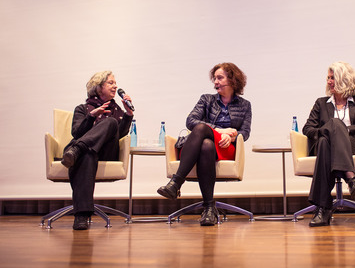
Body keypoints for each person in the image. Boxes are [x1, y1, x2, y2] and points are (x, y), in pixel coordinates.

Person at [157, 62, 252, 226]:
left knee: (203, 129)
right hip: (201, 147)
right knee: (206, 143)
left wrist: (231, 136)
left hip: (226, 148)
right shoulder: (206, 99)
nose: (215, 82)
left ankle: (176, 182)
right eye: (214, 78)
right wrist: (220, 131)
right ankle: (209, 208)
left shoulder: (245, 105)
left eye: (220, 78)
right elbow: (190, 121)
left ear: (232, 79)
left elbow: (245, 132)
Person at [303, 62, 355, 227]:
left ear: (344, 79)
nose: (329, 82)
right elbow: (307, 129)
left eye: (333, 78)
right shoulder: (321, 103)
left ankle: (322, 208)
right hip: (324, 145)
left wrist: (343, 130)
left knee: (328, 137)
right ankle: (351, 178)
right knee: (326, 138)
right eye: (328, 78)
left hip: (353, 145)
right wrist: (330, 130)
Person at [62, 71, 134, 230]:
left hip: (107, 152)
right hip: (89, 154)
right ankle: (82, 215)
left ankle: (77, 149)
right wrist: (91, 116)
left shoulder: (118, 112)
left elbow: (120, 135)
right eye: (110, 82)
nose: (115, 85)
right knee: (87, 155)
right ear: (99, 87)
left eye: (115, 82)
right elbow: (76, 133)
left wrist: (128, 115)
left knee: (110, 123)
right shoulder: (82, 109)